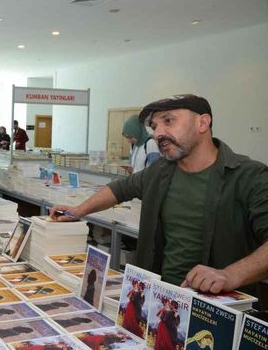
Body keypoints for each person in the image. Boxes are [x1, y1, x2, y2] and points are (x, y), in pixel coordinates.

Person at [50, 95, 268, 300]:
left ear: (203, 123)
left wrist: (230, 275)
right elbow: (120, 189)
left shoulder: (249, 177)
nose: (158, 133)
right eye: (154, 127)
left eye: (168, 121)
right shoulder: (160, 172)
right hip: (160, 300)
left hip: (218, 309)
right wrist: (79, 210)